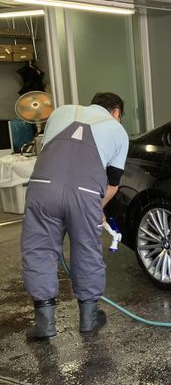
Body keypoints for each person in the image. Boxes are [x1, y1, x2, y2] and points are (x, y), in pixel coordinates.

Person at [21, 92, 129, 339]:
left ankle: (44, 323)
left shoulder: (60, 112)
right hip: (85, 193)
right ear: (116, 112)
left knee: (39, 250)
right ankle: (89, 319)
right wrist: (97, 208)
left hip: (42, 189)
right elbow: (113, 184)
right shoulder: (118, 130)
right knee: (86, 250)